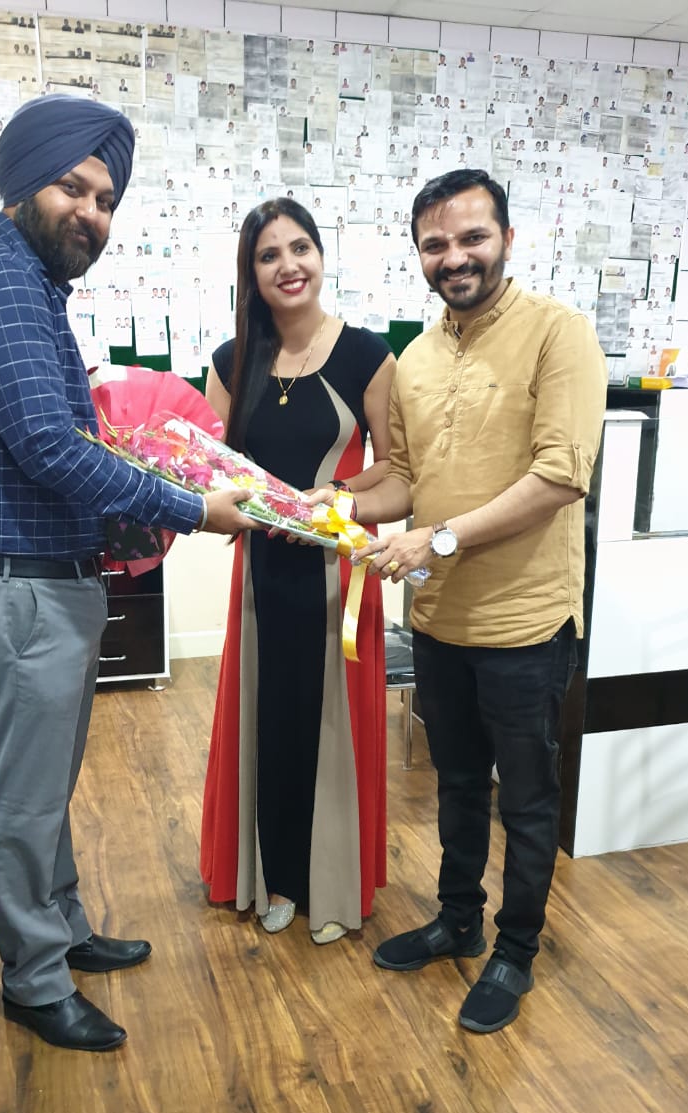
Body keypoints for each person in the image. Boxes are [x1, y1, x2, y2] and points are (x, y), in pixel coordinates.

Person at [0, 95, 255, 1054]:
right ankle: (33, 980)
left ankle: (61, 929)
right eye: (74, 188)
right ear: (24, 182)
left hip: (40, 582)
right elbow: (48, 448)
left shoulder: (25, 284)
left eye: (106, 199)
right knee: (21, 800)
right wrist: (193, 506)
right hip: (14, 586)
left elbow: (55, 441)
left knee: (44, 786)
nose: (92, 213)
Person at [312, 169, 605, 1032]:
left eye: (472, 238)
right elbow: (405, 477)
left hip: (525, 621)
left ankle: (516, 950)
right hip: (440, 617)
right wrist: (328, 503)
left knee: (528, 798)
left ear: (507, 239)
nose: (455, 257)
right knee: (458, 783)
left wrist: (436, 541)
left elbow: (561, 475)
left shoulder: (559, 334)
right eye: (435, 244)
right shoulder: (417, 358)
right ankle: (458, 919)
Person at [200, 198, 395, 944]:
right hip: (260, 576)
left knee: (332, 729)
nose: (288, 265)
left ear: (320, 255)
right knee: (269, 723)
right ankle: (274, 877)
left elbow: (401, 475)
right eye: (269, 254)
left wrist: (338, 496)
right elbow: (211, 473)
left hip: (338, 579)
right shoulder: (231, 362)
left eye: (300, 248)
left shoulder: (368, 355)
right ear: (250, 273)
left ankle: (331, 882)